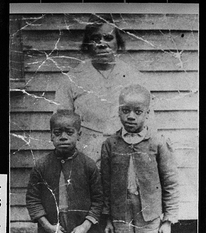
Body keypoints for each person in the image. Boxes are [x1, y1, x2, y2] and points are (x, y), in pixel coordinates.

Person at [101, 84, 179, 233]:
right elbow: (105, 184)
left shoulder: (158, 143)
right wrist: (108, 217)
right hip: (120, 215)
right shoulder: (110, 145)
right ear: (119, 111)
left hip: (150, 215)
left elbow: (170, 183)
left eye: (138, 112)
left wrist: (168, 220)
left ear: (147, 113)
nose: (131, 117)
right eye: (125, 111)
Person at [55, 14, 151, 164]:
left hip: (125, 156)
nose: (101, 44)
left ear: (117, 43)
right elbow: (61, 124)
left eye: (108, 38)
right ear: (87, 44)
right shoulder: (71, 79)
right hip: (85, 158)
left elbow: (149, 123)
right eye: (95, 39)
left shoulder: (135, 77)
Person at [26, 109, 104, 233]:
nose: (63, 137)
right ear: (50, 136)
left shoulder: (88, 165)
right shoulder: (41, 165)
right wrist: (47, 226)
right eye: (57, 133)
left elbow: (99, 200)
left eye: (69, 133)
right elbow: (33, 199)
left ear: (79, 135)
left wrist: (85, 226)